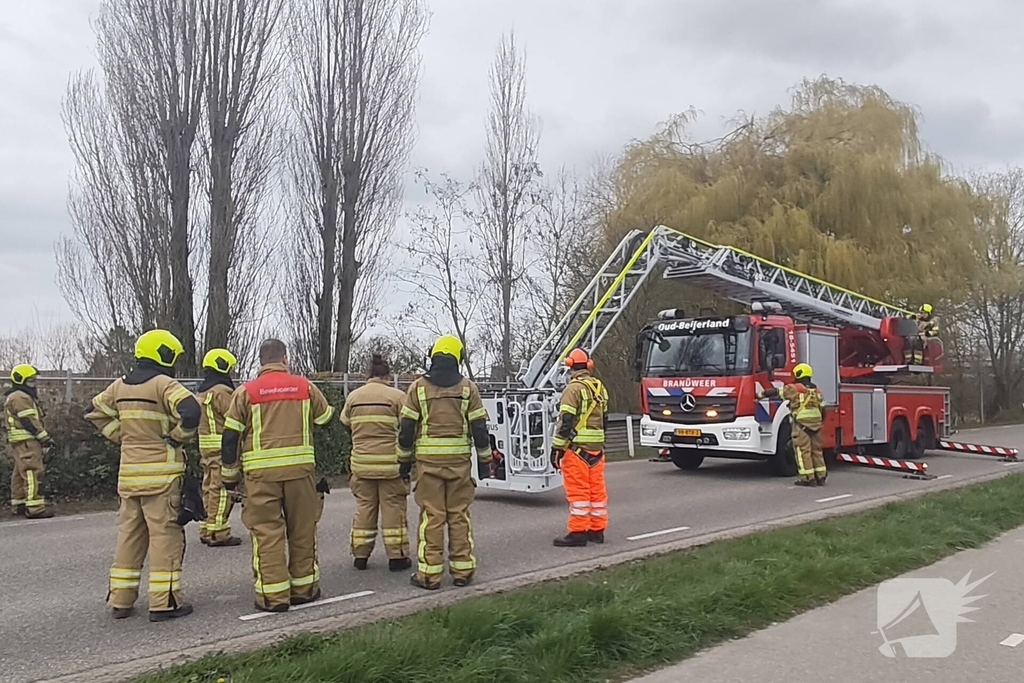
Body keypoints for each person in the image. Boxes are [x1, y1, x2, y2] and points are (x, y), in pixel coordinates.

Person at [86, 329, 201, 621]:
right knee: (165, 538)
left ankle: (121, 601)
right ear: (163, 354)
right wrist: (177, 438)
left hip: (129, 477)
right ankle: (165, 602)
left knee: (129, 537)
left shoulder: (118, 386)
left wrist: (122, 436)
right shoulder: (164, 384)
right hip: (161, 478)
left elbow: (95, 412)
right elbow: (190, 411)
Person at [220, 338, 335, 613]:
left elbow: (230, 438)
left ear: (261, 362)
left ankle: (273, 598)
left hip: (261, 477)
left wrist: (228, 477)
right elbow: (326, 420)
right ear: (285, 359)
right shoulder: (305, 387)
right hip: (301, 473)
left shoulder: (246, 392)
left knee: (267, 534)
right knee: (303, 530)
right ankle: (305, 590)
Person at [398, 335, 491, 590]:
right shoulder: (468, 388)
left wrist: (403, 465)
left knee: (432, 516)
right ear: (458, 358)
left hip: (428, 465)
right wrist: (485, 463)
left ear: (434, 356)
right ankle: (463, 571)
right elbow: (480, 429)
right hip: (459, 464)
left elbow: (406, 430)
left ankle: (429, 575)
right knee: (459, 515)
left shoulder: (417, 388)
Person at [340, 353, 412, 572]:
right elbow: (407, 429)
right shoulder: (398, 397)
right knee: (393, 510)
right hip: (391, 466)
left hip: (362, 466)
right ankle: (396, 557)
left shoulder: (353, 397)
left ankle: (360, 556)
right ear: (388, 376)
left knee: (364, 509)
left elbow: (345, 423)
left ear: (367, 375)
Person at [551, 349, 610, 547]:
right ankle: (597, 530)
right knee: (596, 491)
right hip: (597, 450)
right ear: (589, 365)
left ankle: (578, 532)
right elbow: (605, 420)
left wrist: (557, 448)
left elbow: (565, 421)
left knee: (578, 492)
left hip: (577, 450)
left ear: (569, 365)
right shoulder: (600, 388)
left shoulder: (573, 389)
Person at [196, 348, 242, 547]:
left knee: (209, 487)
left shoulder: (203, 391)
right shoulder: (222, 392)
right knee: (223, 489)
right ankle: (218, 532)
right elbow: (236, 417)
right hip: (223, 448)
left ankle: (207, 526)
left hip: (206, 448)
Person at [757, 363, 826, 487]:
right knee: (816, 451)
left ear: (799, 374)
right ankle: (820, 476)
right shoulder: (817, 391)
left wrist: (760, 394)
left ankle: (807, 478)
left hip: (801, 425)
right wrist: (819, 423)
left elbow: (776, 392)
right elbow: (823, 410)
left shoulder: (795, 388)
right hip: (816, 425)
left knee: (802, 450)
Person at [5, 364, 54, 519]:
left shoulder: (16, 396)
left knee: (20, 472)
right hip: (28, 441)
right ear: (21, 380)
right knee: (33, 471)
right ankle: (35, 508)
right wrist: (44, 437)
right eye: (31, 380)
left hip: (20, 441)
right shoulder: (20, 397)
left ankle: (19, 504)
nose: (34, 384)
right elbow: (29, 420)